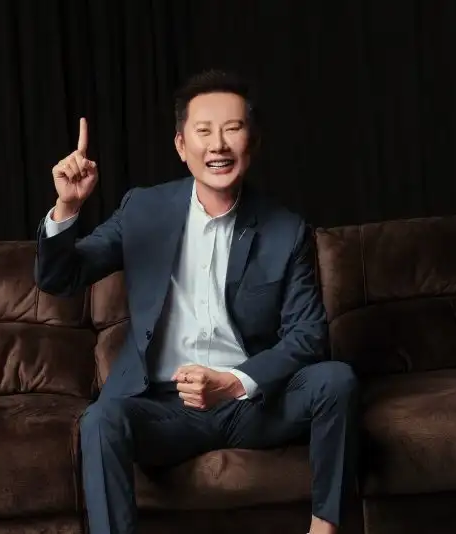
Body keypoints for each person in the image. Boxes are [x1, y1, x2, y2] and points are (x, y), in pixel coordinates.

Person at [34, 70, 358, 534]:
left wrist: (232, 383)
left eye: (232, 128)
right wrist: (67, 209)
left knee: (336, 380)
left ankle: (324, 530)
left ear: (253, 142)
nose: (218, 145)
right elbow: (60, 277)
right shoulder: (143, 209)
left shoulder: (286, 230)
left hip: (252, 404)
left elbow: (307, 337)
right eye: (203, 131)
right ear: (181, 146)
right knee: (101, 420)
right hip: (164, 407)